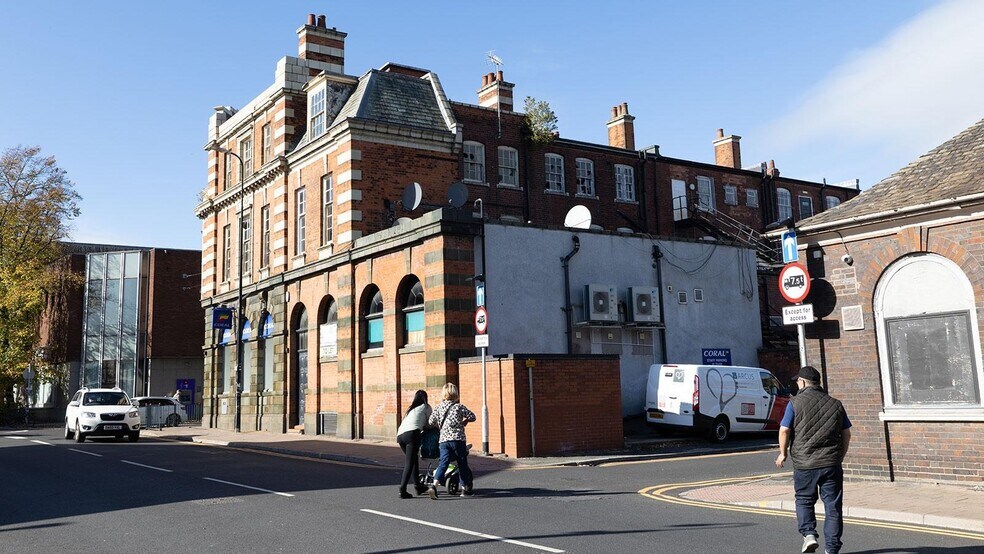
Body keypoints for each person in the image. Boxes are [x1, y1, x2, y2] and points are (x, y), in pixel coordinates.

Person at [775, 366, 852, 554]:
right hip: (831, 463)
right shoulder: (836, 404)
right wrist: (839, 456)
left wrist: (783, 453)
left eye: (797, 381)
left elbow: (784, 430)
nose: (797, 384)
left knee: (804, 500)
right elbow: (847, 433)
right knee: (833, 507)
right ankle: (832, 549)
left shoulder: (795, 403)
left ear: (802, 382)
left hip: (805, 464)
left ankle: (809, 535)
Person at [427, 383, 476, 499]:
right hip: (458, 439)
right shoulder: (459, 407)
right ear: (455, 393)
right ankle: (464, 490)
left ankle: (434, 486)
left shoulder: (439, 407)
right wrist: (465, 421)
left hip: (444, 440)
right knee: (462, 464)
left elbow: (430, 422)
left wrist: (441, 425)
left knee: (443, 463)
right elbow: (473, 417)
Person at [396, 389, 432, 499]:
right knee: (409, 463)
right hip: (412, 435)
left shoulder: (411, 409)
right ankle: (403, 489)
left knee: (413, 459)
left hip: (400, 436)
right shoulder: (426, 407)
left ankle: (418, 486)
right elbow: (431, 423)